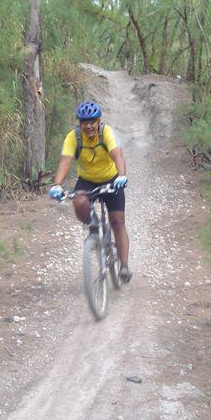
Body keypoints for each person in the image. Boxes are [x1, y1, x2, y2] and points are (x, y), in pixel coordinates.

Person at [48, 101, 133, 283]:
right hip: (87, 180)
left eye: (92, 122)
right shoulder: (74, 137)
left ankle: (124, 266)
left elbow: (117, 155)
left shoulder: (106, 133)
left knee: (117, 222)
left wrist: (122, 175)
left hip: (111, 180)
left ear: (99, 121)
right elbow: (65, 161)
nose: (89, 126)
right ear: (79, 123)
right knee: (78, 202)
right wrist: (57, 185)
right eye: (84, 122)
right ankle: (94, 228)